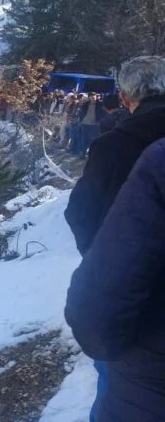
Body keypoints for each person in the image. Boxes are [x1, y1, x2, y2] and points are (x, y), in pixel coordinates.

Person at [63, 55, 165, 422]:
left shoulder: (115, 146)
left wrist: (99, 258)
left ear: (124, 97)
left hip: (137, 317)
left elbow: (80, 214)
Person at [76, 93, 104, 158]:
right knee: (83, 139)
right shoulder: (85, 104)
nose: (93, 97)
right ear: (89, 97)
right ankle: (83, 153)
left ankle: (91, 154)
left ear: (96, 97)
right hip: (85, 124)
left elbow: (103, 113)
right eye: (91, 96)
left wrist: (99, 121)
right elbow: (81, 112)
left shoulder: (100, 104)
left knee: (93, 140)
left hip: (94, 125)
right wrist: (81, 120)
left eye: (94, 96)